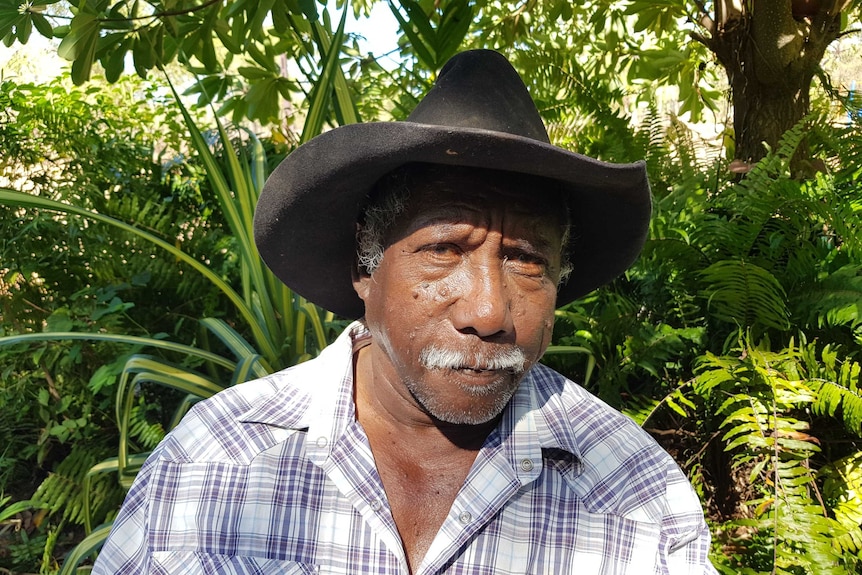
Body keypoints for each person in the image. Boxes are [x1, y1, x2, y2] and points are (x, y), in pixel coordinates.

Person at [92, 50, 715, 574]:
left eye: (527, 260)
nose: (489, 311)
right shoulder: (214, 464)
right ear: (367, 267)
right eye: (444, 249)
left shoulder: (630, 492)